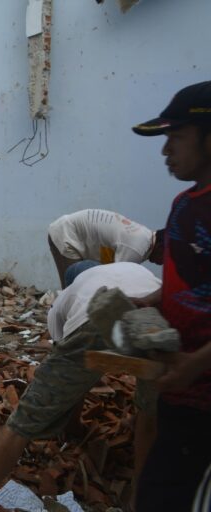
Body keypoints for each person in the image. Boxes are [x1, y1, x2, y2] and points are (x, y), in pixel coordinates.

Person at [0, 261, 162, 512]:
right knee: (149, 416)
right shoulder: (135, 270)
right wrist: (75, 426)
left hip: (101, 319)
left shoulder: (67, 297)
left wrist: (67, 418)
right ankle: (139, 503)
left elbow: (71, 366)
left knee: (21, 425)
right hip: (156, 320)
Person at [131, 80, 211, 512]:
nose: (166, 151)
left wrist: (193, 366)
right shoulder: (185, 203)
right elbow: (193, 276)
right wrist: (157, 300)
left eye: (176, 137)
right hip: (179, 392)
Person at [48, 209, 164, 288]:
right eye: (167, 256)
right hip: (66, 233)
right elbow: (116, 281)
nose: (165, 262)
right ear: (159, 246)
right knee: (74, 289)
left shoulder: (144, 238)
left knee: (79, 289)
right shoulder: (137, 248)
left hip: (68, 229)